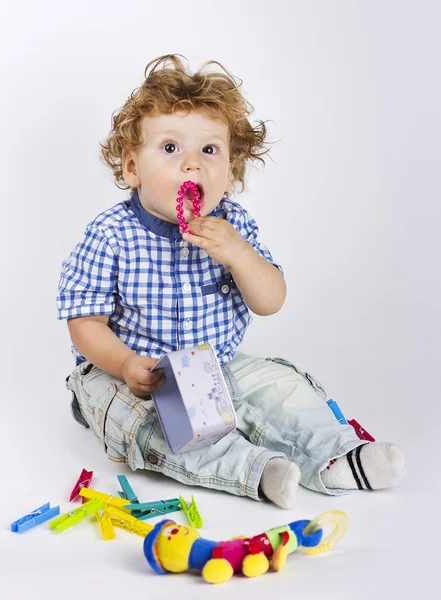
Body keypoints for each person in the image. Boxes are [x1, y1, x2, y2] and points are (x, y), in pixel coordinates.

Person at [57, 54, 405, 508]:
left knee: (282, 386)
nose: (192, 165)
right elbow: (84, 322)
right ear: (131, 169)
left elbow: (270, 300)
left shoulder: (233, 224)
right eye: (170, 148)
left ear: (231, 169)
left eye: (209, 150)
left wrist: (238, 254)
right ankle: (252, 470)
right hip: (131, 373)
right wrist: (124, 364)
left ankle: (337, 454)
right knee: (146, 419)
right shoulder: (111, 234)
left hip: (218, 362)